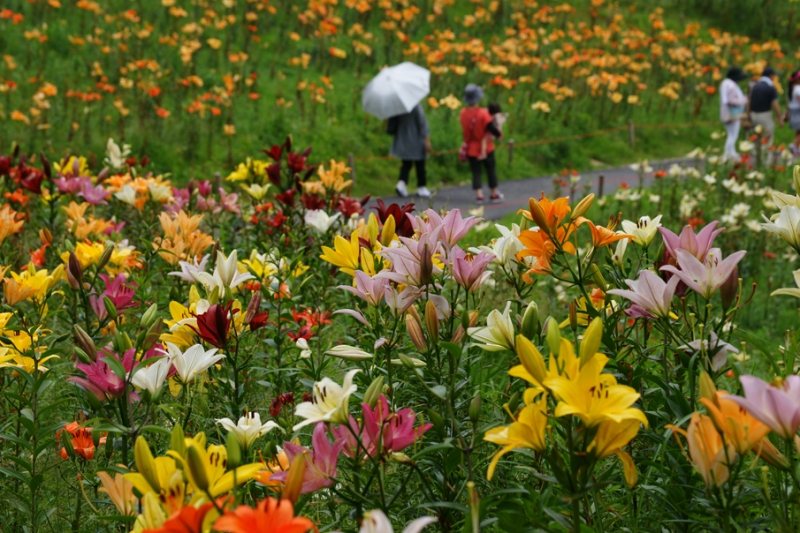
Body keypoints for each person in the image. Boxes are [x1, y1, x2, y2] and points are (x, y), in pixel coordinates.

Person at [461, 84, 503, 203]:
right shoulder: (483, 113)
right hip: (487, 147)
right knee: (491, 169)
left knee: (476, 171)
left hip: (471, 148)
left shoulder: (463, 113)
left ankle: (479, 195)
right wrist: (499, 134)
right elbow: (491, 127)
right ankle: (493, 193)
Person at [390, 103, 431, 198]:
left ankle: (401, 183)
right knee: (420, 164)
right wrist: (427, 139)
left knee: (406, 164)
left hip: (403, 139)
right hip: (415, 138)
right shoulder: (415, 105)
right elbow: (422, 122)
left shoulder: (398, 106)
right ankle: (421, 187)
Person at [749, 66, 783, 159]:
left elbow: (749, 101)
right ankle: (765, 161)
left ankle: (755, 159)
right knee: (767, 139)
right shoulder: (770, 88)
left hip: (753, 114)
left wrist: (748, 114)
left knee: (756, 138)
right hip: (765, 115)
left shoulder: (754, 86)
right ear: (770, 76)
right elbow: (775, 105)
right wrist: (779, 118)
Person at [719, 67, 749, 161]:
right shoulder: (731, 86)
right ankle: (727, 153)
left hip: (726, 112)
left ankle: (731, 152)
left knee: (730, 134)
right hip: (732, 113)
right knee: (733, 135)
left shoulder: (725, 84)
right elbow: (731, 100)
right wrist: (743, 100)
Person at [787, 70, 800, 155]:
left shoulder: (791, 88)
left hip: (793, 112)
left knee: (798, 131)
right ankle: (794, 145)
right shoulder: (798, 88)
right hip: (798, 112)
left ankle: (796, 147)